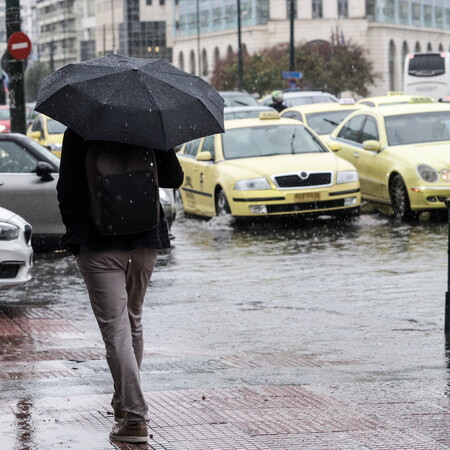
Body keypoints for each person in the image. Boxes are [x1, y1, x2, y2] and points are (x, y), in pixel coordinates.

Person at [56, 129, 184, 444]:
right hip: (145, 241)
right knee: (132, 321)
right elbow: (174, 178)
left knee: (117, 331)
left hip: (98, 243)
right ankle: (124, 402)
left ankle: (136, 416)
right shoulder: (148, 124)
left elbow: (66, 190)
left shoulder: (81, 129)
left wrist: (76, 234)